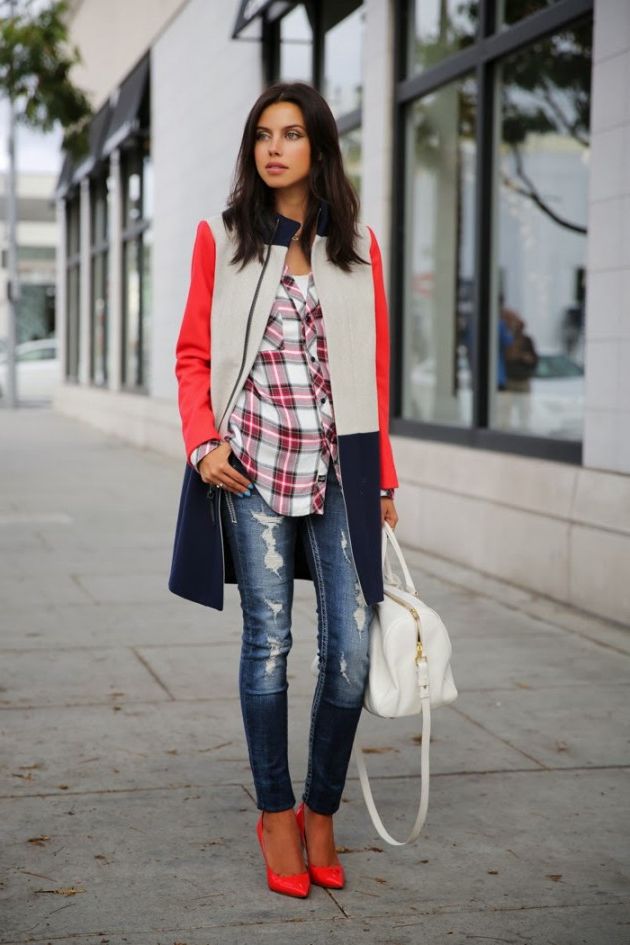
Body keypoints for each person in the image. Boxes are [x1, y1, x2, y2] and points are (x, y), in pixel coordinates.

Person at [168, 81, 399, 899]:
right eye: (263, 134)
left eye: (292, 134)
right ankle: (275, 812)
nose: (274, 147)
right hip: (254, 469)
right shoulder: (224, 239)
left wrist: (383, 481)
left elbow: (372, 373)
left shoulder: (357, 247)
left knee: (350, 652)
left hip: (340, 471)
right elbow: (193, 355)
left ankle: (321, 808)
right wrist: (202, 444)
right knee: (269, 644)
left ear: (318, 148)